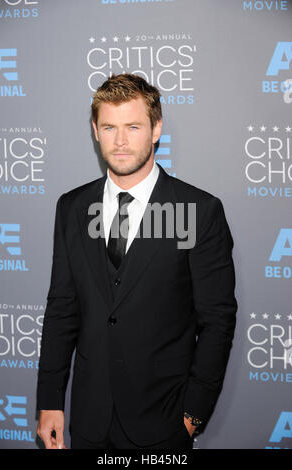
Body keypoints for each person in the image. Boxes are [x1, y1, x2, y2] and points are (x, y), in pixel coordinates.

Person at [36, 73, 237, 450]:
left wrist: (192, 415)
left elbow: (217, 321)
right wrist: (50, 401)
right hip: (89, 421)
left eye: (133, 126)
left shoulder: (198, 211)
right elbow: (62, 308)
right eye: (109, 127)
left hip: (164, 423)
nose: (121, 141)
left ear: (156, 128)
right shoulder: (72, 207)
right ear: (95, 131)